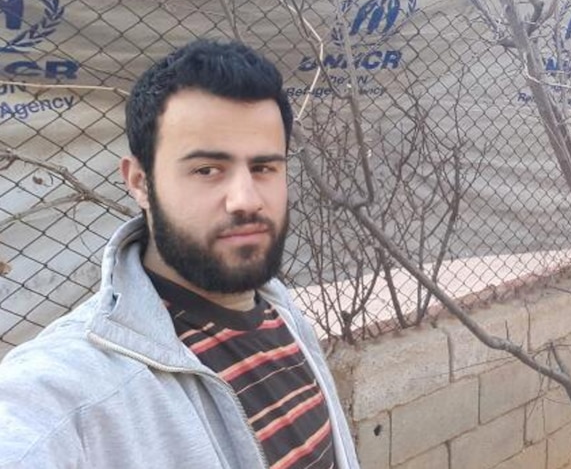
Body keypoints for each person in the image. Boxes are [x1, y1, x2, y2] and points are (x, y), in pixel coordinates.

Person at [0, 39, 360, 469]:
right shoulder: (74, 386)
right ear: (139, 181)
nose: (246, 200)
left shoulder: (279, 309)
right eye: (207, 170)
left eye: (264, 168)